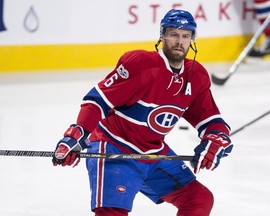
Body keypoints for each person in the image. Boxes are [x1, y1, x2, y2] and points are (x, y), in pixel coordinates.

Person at [52, 9, 233, 216]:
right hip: (114, 148)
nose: (179, 41)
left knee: (198, 199)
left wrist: (216, 138)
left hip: (153, 153)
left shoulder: (196, 76)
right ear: (162, 35)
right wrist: (76, 135)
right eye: (173, 34)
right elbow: (98, 100)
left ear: (192, 39)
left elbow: (212, 120)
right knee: (112, 212)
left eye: (185, 36)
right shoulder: (141, 65)